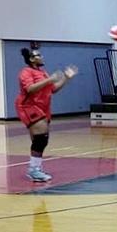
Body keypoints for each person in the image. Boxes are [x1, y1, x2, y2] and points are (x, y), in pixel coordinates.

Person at [15, 48, 78, 181]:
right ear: (31, 59)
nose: (42, 57)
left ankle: (35, 168)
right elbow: (30, 89)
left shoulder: (42, 72)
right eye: (38, 55)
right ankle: (34, 170)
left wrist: (66, 78)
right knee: (41, 139)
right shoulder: (26, 72)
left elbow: (53, 89)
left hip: (42, 108)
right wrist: (49, 80)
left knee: (39, 139)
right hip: (28, 106)